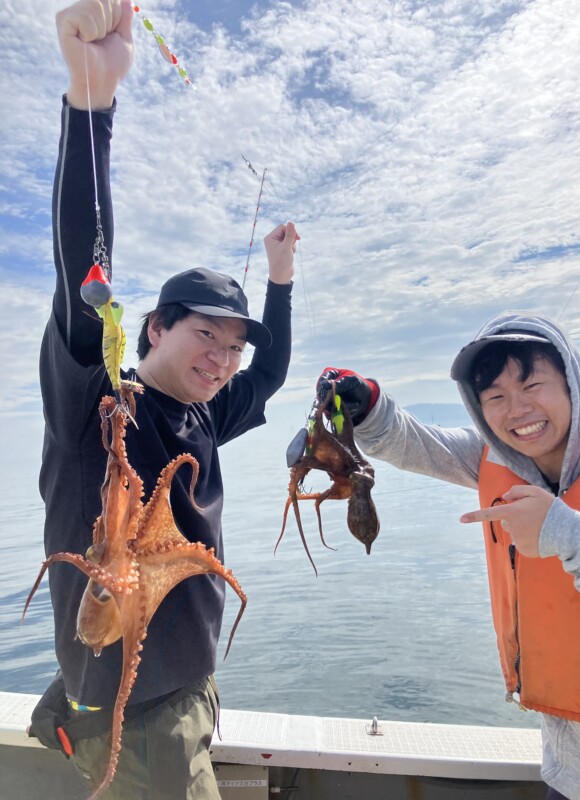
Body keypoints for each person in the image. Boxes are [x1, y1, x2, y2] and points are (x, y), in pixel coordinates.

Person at [30, 1, 298, 797]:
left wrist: (280, 279)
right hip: (137, 721)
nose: (221, 359)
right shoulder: (98, 402)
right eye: (203, 338)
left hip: (184, 694)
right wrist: (93, 103)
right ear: (153, 328)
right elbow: (84, 271)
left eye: (230, 347)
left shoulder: (203, 413)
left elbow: (273, 369)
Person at [318, 312, 580, 800]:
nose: (517, 410)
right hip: (573, 768)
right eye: (494, 397)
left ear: (573, 384)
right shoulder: (499, 457)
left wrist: (561, 530)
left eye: (532, 385)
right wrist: (366, 406)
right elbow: (417, 444)